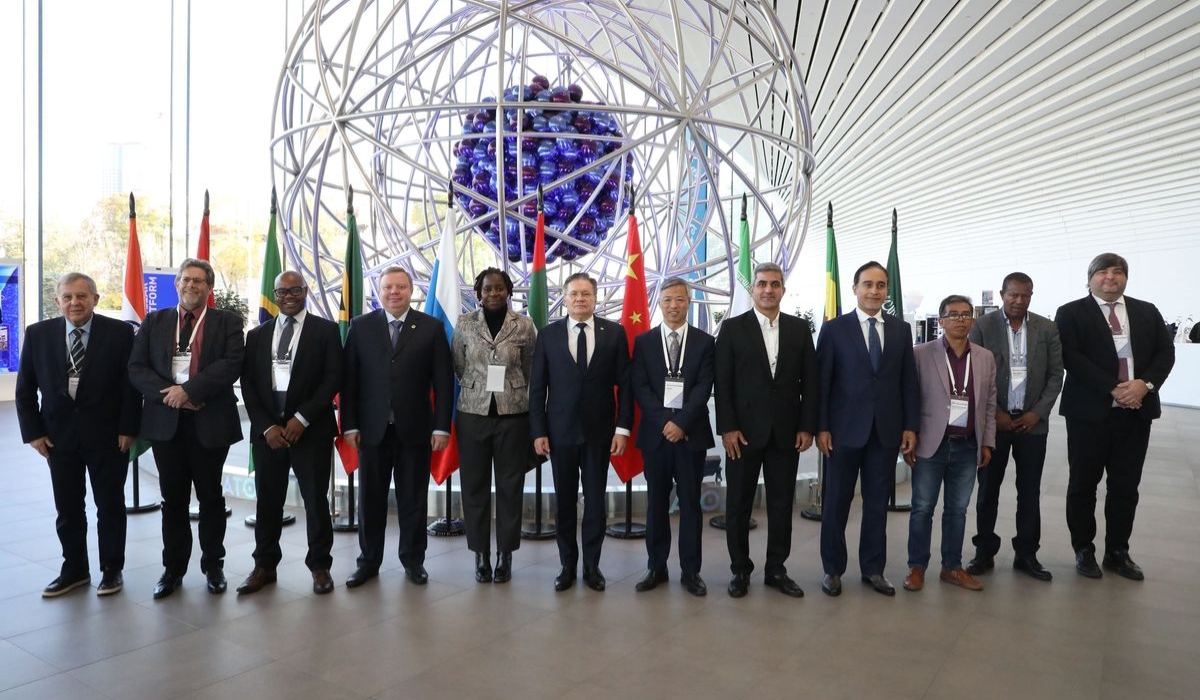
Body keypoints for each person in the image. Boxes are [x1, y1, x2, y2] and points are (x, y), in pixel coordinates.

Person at [15, 273, 140, 597]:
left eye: (82, 296)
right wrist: (34, 433)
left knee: (110, 506)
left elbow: (130, 386)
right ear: (57, 301)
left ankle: (112, 569)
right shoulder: (38, 334)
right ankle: (74, 569)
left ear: (96, 299)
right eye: (68, 296)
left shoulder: (120, 333)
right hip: (59, 439)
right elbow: (25, 389)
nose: (75, 302)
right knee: (68, 509)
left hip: (109, 437)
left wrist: (128, 428)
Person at [128, 258, 245, 599]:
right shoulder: (155, 321)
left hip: (210, 422)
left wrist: (190, 391)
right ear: (176, 284)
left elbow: (231, 364)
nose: (191, 285)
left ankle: (213, 566)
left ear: (209, 288)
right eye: (186, 280)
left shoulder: (228, 322)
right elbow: (137, 368)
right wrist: (174, 396)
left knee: (210, 498)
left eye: (199, 281)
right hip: (166, 423)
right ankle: (173, 569)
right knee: (172, 499)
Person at [1056, 253, 1174, 580]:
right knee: (1083, 484)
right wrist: (1114, 388)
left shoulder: (1146, 311)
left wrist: (1144, 385)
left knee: (1125, 486)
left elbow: (1166, 353)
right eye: (1103, 272)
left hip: (1136, 413)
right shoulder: (1070, 313)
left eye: (1117, 272)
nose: (1111, 277)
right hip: (1089, 415)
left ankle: (1117, 552)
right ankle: (1084, 550)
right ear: (1090, 277)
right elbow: (1072, 357)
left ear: (1126, 277)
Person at [341, 266, 454, 588]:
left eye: (401, 287)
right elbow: (349, 382)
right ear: (379, 290)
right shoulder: (361, 326)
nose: (394, 292)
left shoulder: (431, 328)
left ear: (410, 290)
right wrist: (349, 424)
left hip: (415, 430)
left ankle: (413, 561)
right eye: (388, 287)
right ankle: (368, 562)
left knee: (413, 499)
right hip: (371, 431)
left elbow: (444, 382)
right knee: (371, 500)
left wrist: (441, 427)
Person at [715, 262, 818, 599]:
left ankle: (776, 568)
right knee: (739, 506)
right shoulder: (731, 329)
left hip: (786, 434)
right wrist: (728, 428)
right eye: (762, 284)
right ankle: (740, 570)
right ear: (753, 288)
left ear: (783, 290)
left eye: (775, 284)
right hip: (742, 435)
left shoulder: (800, 330)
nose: (769, 290)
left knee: (780, 504)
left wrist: (807, 426)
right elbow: (723, 384)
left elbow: (810, 384)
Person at [816, 261, 919, 597]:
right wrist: (822, 427)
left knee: (877, 504)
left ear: (887, 290)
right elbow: (822, 384)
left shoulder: (902, 330)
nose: (874, 291)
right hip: (843, 432)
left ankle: (873, 569)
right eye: (868, 285)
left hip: (885, 433)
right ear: (855, 289)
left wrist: (910, 426)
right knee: (836, 504)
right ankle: (833, 569)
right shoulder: (834, 329)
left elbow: (908, 383)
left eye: (880, 285)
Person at [237, 271, 342, 596]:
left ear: (306, 291)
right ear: (275, 294)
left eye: (295, 290)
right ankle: (264, 566)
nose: (289, 296)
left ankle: (320, 566)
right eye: (283, 291)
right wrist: (267, 426)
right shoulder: (256, 335)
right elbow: (250, 385)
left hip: (310, 431)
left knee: (315, 501)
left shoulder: (325, 330)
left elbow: (332, 378)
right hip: (269, 434)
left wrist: (301, 418)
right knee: (268, 501)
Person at [529, 272, 633, 592]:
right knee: (564, 502)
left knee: (595, 502)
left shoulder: (614, 334)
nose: (579, 299)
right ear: (565, 297)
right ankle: (567, 565)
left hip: (600, 433)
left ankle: (592, 566)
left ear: (595, 297)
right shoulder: (548, 335)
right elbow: (538, 388)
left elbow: (626, 387)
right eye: (573, 293)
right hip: (559, 434)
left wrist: (622, 428)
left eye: (586, 294)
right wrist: (538, 431)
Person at [966, 273, 1063, 581]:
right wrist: (996, 415)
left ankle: (1026, 553)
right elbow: (975, 374)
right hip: (996, 424)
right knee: (988, 490)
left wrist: (1037, 413)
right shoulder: (983, 326)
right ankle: (984, 552)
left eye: (1025, 295)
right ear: (1002, 294)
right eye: (1013, 295)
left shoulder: (1047, 328)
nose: (1019, 301)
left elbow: (1055, 375)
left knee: (1029, 491)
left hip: (1032, 425)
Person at [903, 296, 996, 592]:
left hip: (968, 445)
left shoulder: (984, 357)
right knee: (922, 508)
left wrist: (987, 442)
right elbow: (909, 400)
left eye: (966, 314)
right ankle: (917, 567)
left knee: (957, 510)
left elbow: (990, 404)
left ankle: (952, 567)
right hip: (932, 443)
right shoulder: (920, 354)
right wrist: (909, 435)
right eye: (953, 314)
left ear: (973, 320)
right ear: (940, 321)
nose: (960, 319)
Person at [630, 278, 716, 596]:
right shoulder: (644, 342)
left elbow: (703, 387)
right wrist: (667, 422)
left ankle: (691, 571)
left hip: (690, 435)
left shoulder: (706, 342)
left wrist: (681, 423)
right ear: (660, 303)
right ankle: (656, 567)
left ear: (689, 302)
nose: (673, 305)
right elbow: (641, 387)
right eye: (667, 299)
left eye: (680, 299)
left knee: (691, 504)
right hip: (656, 436)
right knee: (656, 503)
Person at [452, 268, 536, 584]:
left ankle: (505, 554)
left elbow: (530, 367)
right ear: (479, 292)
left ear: (508, 291)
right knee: (474, 486)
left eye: (499, 288)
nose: (493, 294)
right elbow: (458, 365)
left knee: (510, 486)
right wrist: (479, 386)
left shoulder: (525, 325)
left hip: (513, 415)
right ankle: (481, 554)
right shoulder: (464, 324)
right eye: (487, 289)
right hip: (473, 414)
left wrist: (509, 389)